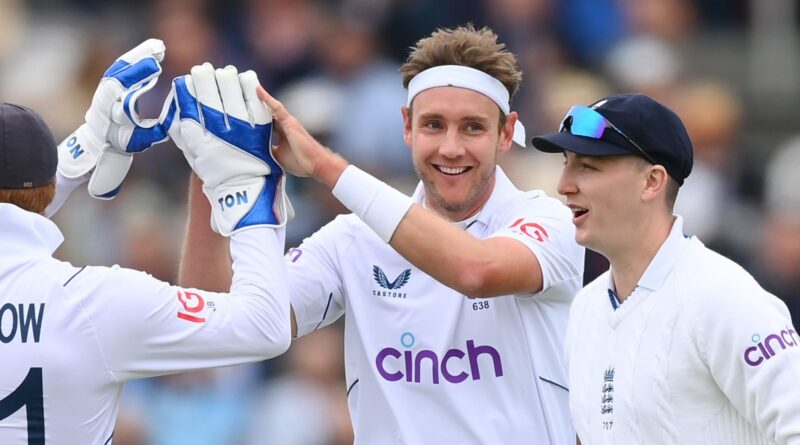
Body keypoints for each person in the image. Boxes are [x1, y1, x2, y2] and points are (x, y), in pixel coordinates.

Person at [181, 25, 585, 444]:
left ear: (505, 133)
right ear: (407, 126)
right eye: (433, 125)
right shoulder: (351, 240)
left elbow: (475, 271)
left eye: (472, 128)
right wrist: (210, 170)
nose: (450, 148)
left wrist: (325, 166)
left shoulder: (547, 220)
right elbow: (221, 328)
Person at [0, 42, 292, 444]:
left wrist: (80, 151)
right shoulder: (91, 301)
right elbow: (264, 326)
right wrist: (244, 189)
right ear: (46, 189)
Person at [531, 94, 800, 443]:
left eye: (588, 167)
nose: (563, 185)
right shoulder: (585, 306)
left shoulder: (721, 295)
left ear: (652, 182)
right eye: (566, 163)